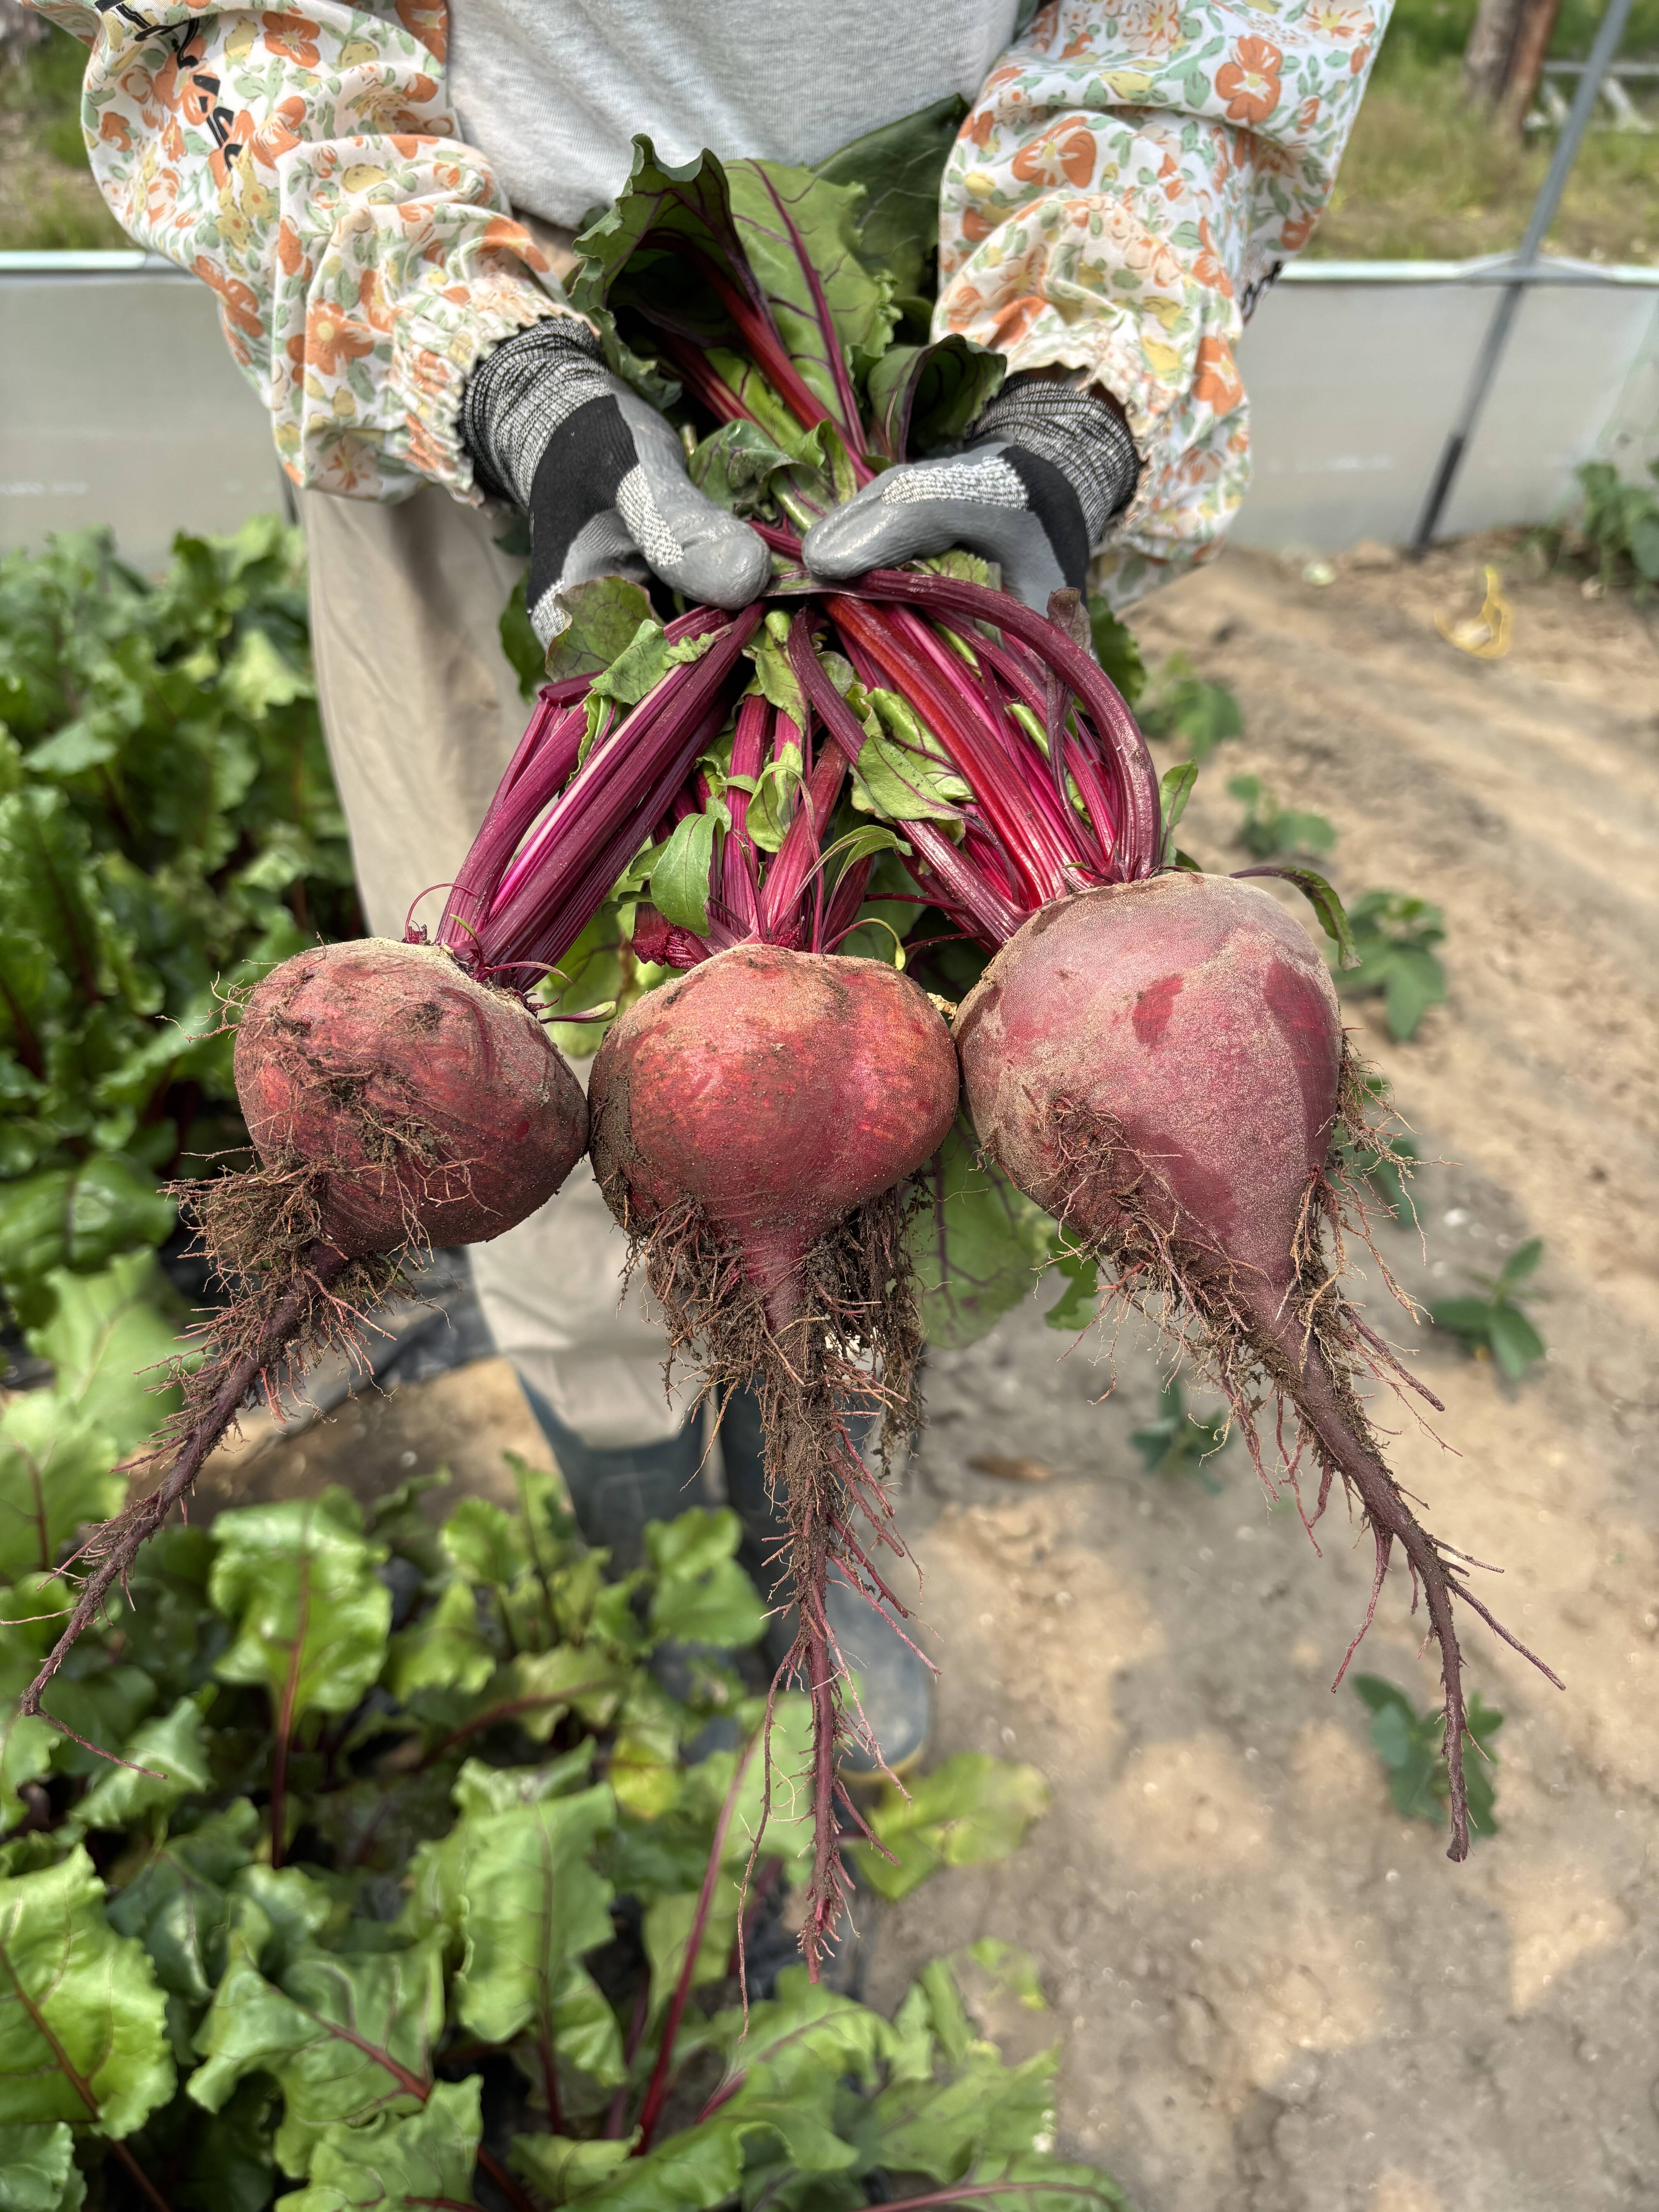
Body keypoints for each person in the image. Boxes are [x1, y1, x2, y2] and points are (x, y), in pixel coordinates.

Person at [29, 0, 1391, 1771]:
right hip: (468, 340)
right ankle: (680, 1554)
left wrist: (1076, 401)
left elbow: (1222, 37)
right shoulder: (476, 362)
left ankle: (809, 1523)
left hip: (967, 353)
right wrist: (499, 377)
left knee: (864, 1194)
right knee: (616, 1205)